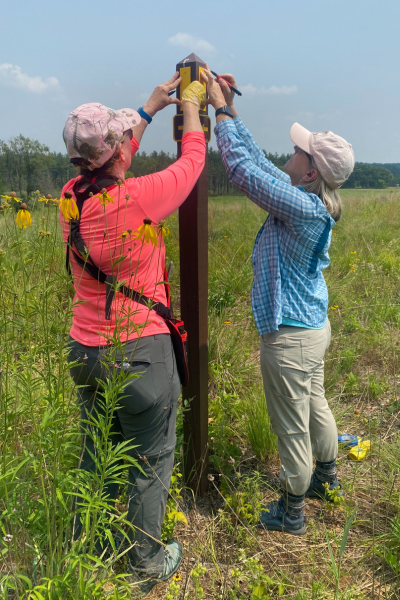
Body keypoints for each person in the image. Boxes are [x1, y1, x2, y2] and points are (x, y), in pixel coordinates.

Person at [62, 73, 206, 594]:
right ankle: (146, 561)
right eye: (124, 138)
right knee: (150, 458)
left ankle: (86, 541)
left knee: (96, 449)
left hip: (85, 350)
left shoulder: (70, 197)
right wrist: (191, 109)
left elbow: (108, 160)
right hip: (138, 353)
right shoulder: (139, 200)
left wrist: (144, 111)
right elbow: (192, 163)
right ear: (120, 152)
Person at [202, 66, 355, 535]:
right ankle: (326, 479)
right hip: (310, 328)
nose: (288, 153)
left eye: (297, 151)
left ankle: (292, 511)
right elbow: (263, 167)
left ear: (310, 171)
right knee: (315, 405)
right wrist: (230, 110)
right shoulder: (308, 197)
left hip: (290, 337)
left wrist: (221, 112)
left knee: (291, 425)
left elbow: (245, 173)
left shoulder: (302, 207)